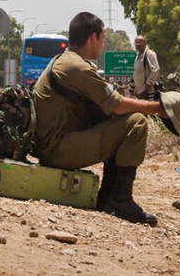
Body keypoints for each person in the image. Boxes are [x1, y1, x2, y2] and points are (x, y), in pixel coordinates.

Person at [32, 12, 169, 226]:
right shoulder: (76, 67)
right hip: (57, 150)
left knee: (115, 119)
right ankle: (120, 201)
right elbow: (118, 104)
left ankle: (108, 198)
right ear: (93, 37)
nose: (103, 45)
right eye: (103, 39)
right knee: (136, 122)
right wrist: (157, 108)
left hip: (54, 144)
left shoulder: (66, 61)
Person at [133, 35, 160, 99]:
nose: (138, 44)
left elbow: (155, 69)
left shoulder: (149, 53)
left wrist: (149, 83)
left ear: (145, 43)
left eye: (140, 42)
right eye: (136, 42)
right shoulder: (138, 55)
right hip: (139, 91)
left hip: (148, 91)